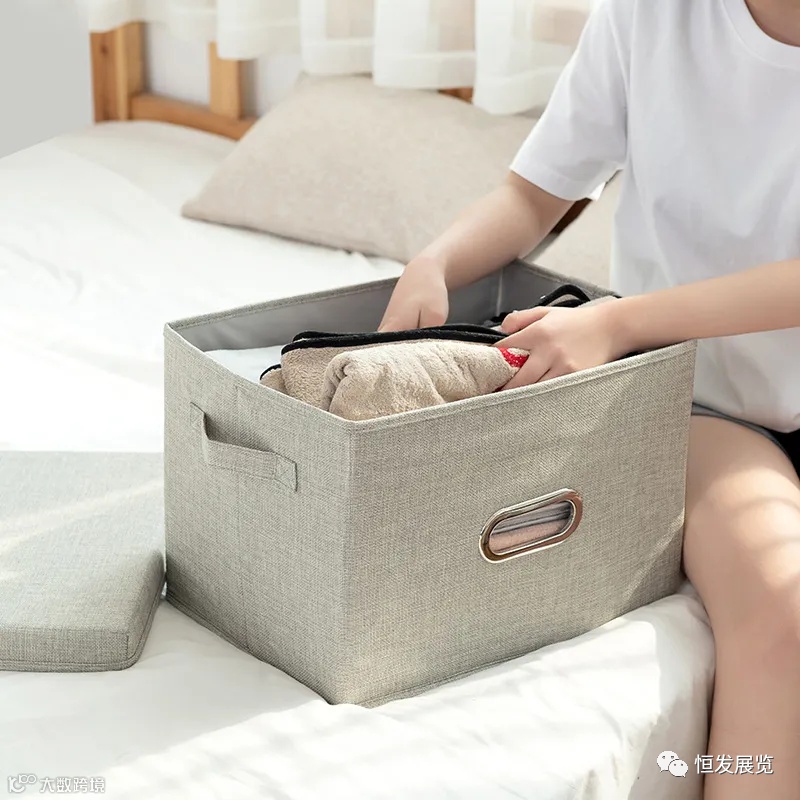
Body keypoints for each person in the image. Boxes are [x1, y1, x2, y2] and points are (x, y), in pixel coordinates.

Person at [378, 1, 800, 797]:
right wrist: (436, 261)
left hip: (646, 338)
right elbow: (535, 195)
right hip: (708, 403)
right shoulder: (650, 16)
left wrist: (616, 320)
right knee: (782, 617)